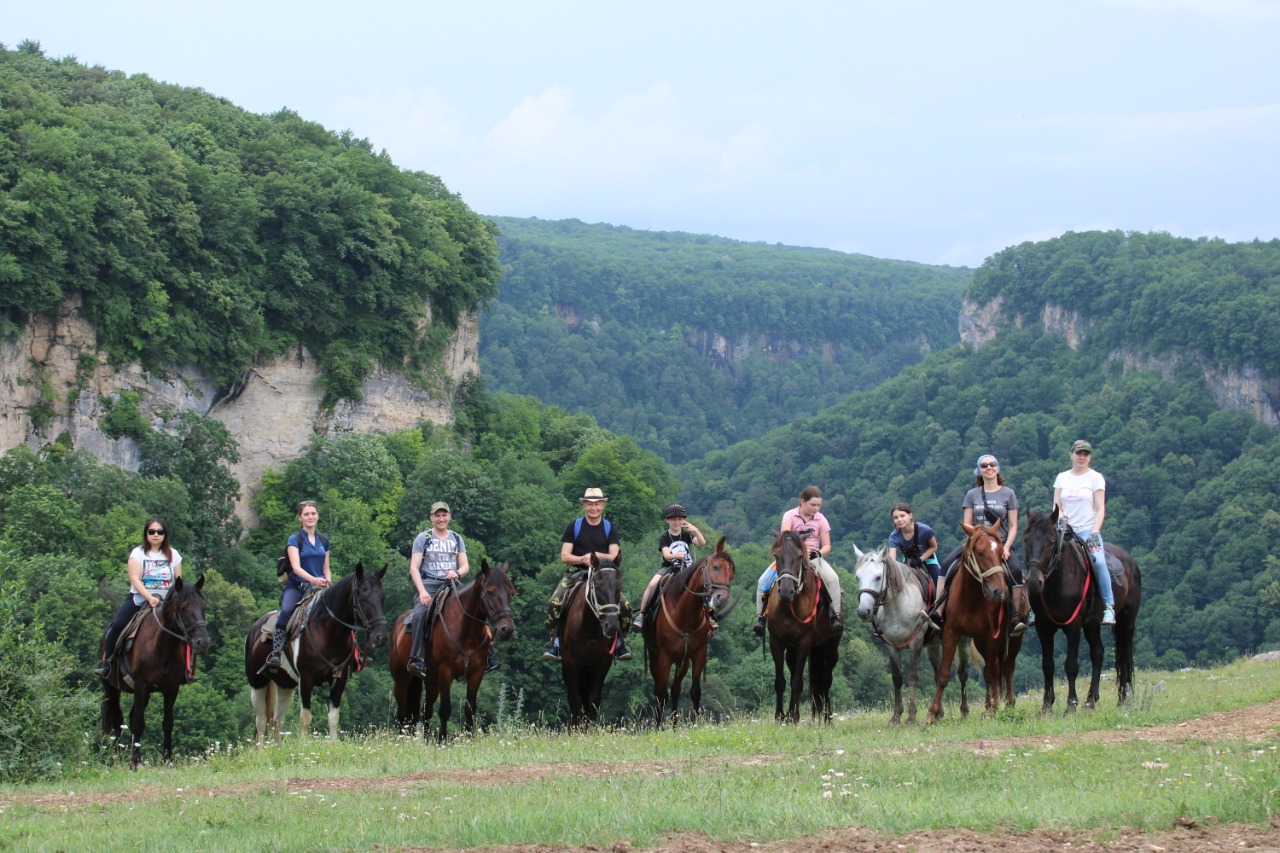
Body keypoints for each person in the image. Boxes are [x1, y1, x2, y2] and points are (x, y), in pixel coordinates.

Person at [931, 455, 1032, 636]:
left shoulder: (1008, 494)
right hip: (976, 544)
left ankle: (1016, 616)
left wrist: (1007, 547)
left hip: (999, 544)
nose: (989, 468)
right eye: (984, 465)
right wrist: (973, 543)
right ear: (979, 471)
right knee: (946, 565)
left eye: (992, 464)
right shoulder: (972, 494)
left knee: (1015, 571)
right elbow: (967, 523)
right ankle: (938, 610)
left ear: (997, 468)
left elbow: (1014, 525)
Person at [406, 502, 498, 677]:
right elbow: (414, 568)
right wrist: (422, 592)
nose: (441, 519)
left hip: (453, 584)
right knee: (419, 615)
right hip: (429, 585)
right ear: (431, 517)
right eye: (437, 515)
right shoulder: (423, 538)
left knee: (479, 608)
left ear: (449, 517)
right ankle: (417, 657)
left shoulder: (456, 538)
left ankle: (489, 656)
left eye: (444, 515)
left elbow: (465, 566)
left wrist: (456, 572)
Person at [543, 487, 632, 662]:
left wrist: (597, 556)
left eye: (597, 504)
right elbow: (565, 556)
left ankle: (620, 643)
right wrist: (583, 560)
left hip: (603, 574)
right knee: (554, 603)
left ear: (603, 506)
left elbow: (614, 555)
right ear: (584, 505)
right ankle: (556, 643)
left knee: (626, 606)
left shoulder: (609, 528)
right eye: (590, 504)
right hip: (576, 572)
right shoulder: (574, 526)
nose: (593, 508)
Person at [94, 517, 185, 678]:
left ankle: (185, 670)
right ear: (146, 534)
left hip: (167, 602)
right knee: (117, 625)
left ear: (165, 534)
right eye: (152, 531)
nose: (155, 535)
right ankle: (107, 663)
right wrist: (150, 598)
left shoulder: (174, 555)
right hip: (140, 598)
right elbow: (135, 579)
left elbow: (178, 582)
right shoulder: (138, 553)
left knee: (188, 628)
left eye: (160, 532)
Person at [752, 485, 845, 636]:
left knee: (833, 579)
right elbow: (784, 538)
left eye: (819, 505)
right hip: (789, 558)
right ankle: (761, 619)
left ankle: (835, 617)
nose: (816, 508)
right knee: (763, 581)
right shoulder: (789, 516)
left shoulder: (822, 520)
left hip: (813, 558)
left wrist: (818, 554)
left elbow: (827, 546)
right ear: (802, 502)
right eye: (813, 505)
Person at [1054, 439, 1115, 625]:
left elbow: (1100, 508)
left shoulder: (1095, 478)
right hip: (1066, 532)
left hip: (1088, 531)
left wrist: (1095, 532)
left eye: (1085, 454)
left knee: (1100, 562)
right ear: (1070, 455)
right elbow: (1057, 506)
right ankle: (1036, 608)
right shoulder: (1062, 477)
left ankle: (1109, 606)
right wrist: (1061, 518)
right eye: (1079, 453)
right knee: (1044, 560)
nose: (1082, 457)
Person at [266, 500, 332, 671]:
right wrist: (314, 580)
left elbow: (326, 568)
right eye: (306, 514)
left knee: (342, 610)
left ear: (317, 516)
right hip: (298, 587)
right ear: (300, 518)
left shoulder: (324, 541)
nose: (310, 517)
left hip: (320, 587)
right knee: (286, 611)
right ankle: (276, 652)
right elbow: (296, 567)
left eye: (313, 513)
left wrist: (328, 583)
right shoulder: (294, 539)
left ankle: (355, 654)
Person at [633, 504, 708, 630]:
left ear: (683, 520)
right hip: (669, 568)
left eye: (680, 519)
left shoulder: (686, 535)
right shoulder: (665, 537)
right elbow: (667, 555)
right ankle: (641, 614)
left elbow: (702, 543)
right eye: (673, 519)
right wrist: (677, 555)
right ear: (667, 520)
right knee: (652, 585)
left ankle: (710, 615)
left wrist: (695, 530)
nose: (677, 522)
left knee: (705, 583)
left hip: (687, 569)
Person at [887, 501, 942, 593]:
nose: (899, 520)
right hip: (909, 563)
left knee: (940, 582)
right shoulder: (894, 537)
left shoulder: (925, 530)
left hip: (929, 560)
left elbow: (934, 547)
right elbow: (892, 558)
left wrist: (920, 560)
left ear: (910, 516)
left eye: (902, 516)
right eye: (895, 518)